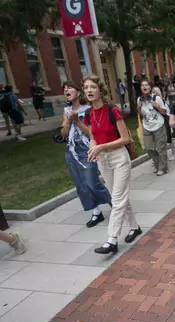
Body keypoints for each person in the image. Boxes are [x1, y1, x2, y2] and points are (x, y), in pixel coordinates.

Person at [79, 75, 143, 254]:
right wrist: (93, 148)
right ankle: (135, 227)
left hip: (119, 158)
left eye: (93, 87)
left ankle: (112, 239)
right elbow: (92, 137)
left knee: (117, 199)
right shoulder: (88, 114)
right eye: (86, 87)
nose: (89, 90)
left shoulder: (112, 110)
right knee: (119, 196)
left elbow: (125, 139)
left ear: (100, 90)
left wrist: (101, 147)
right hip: (103, 160)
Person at [61, 80, 112, 227]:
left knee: (92, 182)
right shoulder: (66, 111)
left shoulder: (88, 109)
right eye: (64, 88)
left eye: (69, 87)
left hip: (87, 148)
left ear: (78, 91)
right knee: (81, 184)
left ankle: (116, 206)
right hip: (72, 150)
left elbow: (93, 133)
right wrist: (69, 121)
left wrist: (77, 121)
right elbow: (63, 133)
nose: (66, 90)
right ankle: (96, 212)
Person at [138, 80, 169, 176]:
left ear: (150, 87)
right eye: (142, 85)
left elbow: (165, 112)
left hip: (158, 125)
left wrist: (158, 106)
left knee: (161, 148)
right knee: (148, 148)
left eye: (146, 85)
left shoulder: (157, 98)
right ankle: (158, 164)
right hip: (147, 126)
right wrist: (138, 108)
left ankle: (163, 168)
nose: (144, 87)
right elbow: (140, 114)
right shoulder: (139, 99)